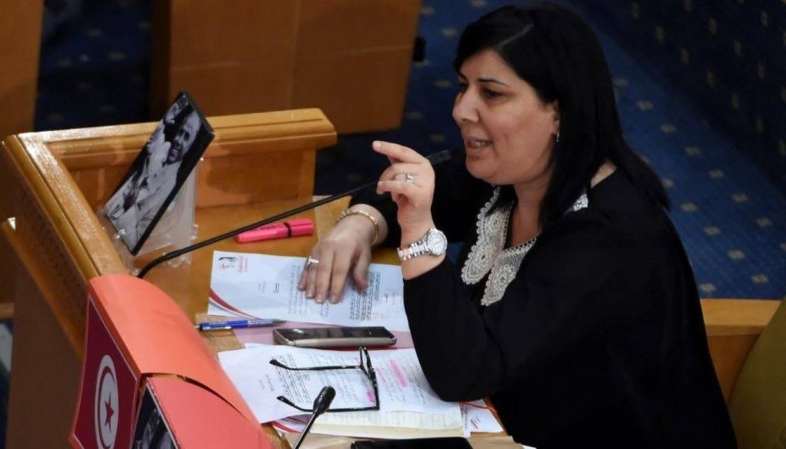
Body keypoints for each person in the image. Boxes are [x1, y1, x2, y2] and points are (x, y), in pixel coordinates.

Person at [299, 3, 736, 448]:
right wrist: (360, 223)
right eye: (463, 86)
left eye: (491, 94)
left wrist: (419, 237)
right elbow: (416, 187)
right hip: (502, 417)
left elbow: (463, 373)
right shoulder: (515, 170)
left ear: (559, 111)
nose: (461, 109)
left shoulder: (610, 238)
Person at [106, 109, 200, 250]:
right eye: (180, 132)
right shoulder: (164, 147)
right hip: (108, 211)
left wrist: (131, 206)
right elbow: (153, 141)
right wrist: (164, 122)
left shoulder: (170, 187)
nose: (178, 141)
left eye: (186, 137)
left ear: (190, 147)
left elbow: (134, 240)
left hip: (119, 237)